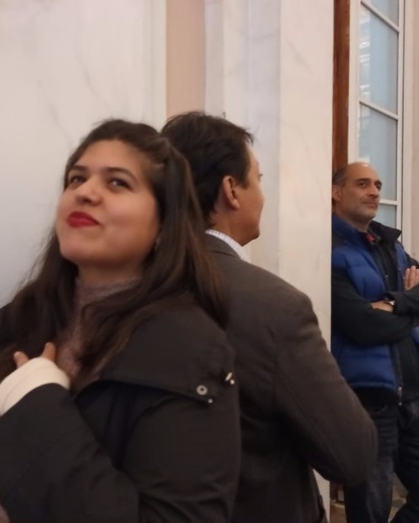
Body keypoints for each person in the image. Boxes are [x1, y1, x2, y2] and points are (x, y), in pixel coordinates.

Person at [0, 120, 241, 522]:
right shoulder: (22, 319)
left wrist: (39, 412)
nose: (85, 192)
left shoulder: (188, 351)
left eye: (117, 183)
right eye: (76, 179)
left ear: (164, 224)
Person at [161, 112, 377, 523]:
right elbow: (352, 454)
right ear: (231, 190)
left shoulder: (130, 283)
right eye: (258, 179)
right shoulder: (274, 306)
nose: (263, 195)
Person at [331, 162, 419, 523]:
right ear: (337, 192)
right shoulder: (329, 249)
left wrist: (394, 303)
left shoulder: (389, 244)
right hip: (368, 404)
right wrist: (412, 306)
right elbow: (363, 326)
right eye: (362, 184)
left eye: (377, 184)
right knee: (369, 513)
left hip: (414, 398)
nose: (374, 191)